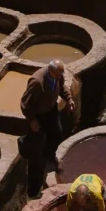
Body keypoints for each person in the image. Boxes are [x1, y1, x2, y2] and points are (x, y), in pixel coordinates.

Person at [20, 60, 75, 197]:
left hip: (51, 111)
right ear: (51, 71)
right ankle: (33, 190)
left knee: (57, 134)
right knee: (36, 153)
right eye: (58, 75)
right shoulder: (37, 82)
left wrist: (69, 99)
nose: (60, 77)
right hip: (38, 116)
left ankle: (49, 155)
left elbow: (62, 88)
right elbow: (25, 103)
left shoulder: (58, 76)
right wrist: (32, 120)